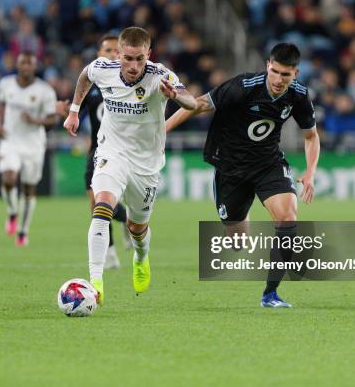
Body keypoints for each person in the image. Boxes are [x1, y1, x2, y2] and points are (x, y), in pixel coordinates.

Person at [166, 43, 320, 308]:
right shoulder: (244, 86)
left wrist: (310, 172)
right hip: (230, 167)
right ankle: (242, 211)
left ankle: (270, 294)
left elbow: (311, 136)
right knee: (236, 240)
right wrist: (163, 131)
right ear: (267, 66)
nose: (279, 80)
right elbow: (200, 104)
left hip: (267, 163)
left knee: (288, 218)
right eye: (275, 72)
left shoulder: (298, 95)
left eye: (286, 74)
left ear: (295, 73)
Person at [63, 26, 197, 305]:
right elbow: (85, 76)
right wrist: (74, 111)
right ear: (119, 54)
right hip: (112, 151)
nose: (134, 66)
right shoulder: (103, 68)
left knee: (138, 228)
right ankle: (95, 282)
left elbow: (191, 102)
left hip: (146, 164)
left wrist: (175, 95)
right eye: (127, 58)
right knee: (102, 205)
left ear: (149, 54)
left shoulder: (161, 75)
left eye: (140, 59)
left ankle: (141, 256)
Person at [0, 52, 64, 246]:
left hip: (33, 145)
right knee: (8, 179)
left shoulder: (45, 91)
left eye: (29, 63)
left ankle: (23, 230)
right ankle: (11, 212)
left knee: (28, 188)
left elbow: (52, 119)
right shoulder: (6, 84)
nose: (25, 67)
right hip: (11, 141)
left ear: (35, 66)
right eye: (22, 63)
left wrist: (36, 120)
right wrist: (0, 124)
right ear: (17, 65)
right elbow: (1, 103)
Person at [78, 34, 132, 269]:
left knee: (109, 203)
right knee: (96, 202)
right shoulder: (91, 86)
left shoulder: (130, 84)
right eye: (107, 50)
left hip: (124, 152)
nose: (111, 54)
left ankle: (130, 221)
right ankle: (109, 253)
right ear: (99, 55)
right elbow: (78, 115)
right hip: (97, 151)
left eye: (115, 50)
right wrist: (66, 112)